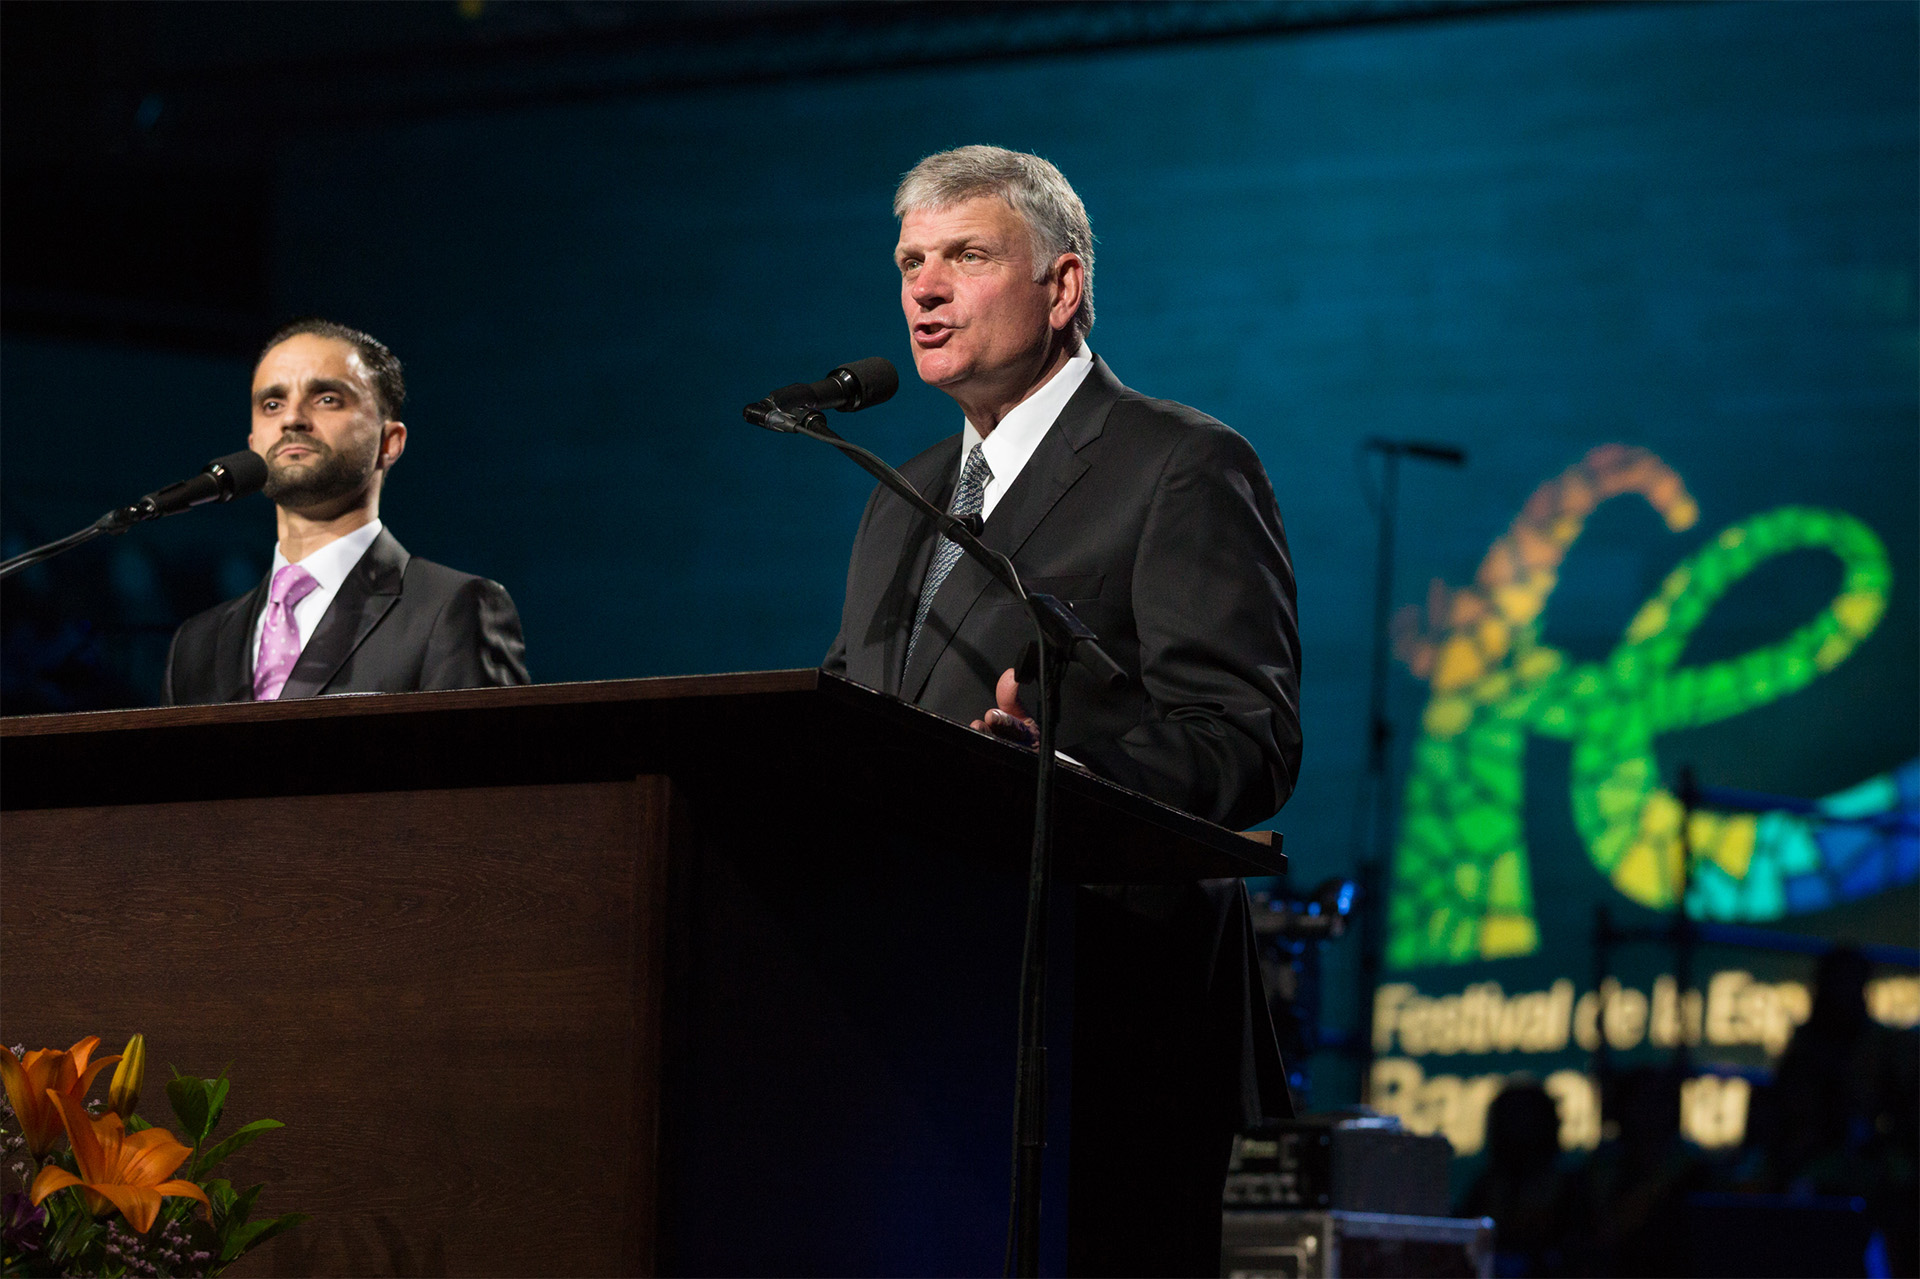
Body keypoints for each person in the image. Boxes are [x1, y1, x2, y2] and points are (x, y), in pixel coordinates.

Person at [823, 145, 1300, 1275]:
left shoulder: (1180, 463)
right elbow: (854, 716)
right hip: (919, 1010)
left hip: (1109, 1010)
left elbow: (1246, 734)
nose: (925, 289)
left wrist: (1066, 775)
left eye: (966, 256)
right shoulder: (904, 496)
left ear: (1063, 284)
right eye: (910, 263)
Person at [162, 319, 528, 705]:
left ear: (389, 442)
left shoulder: (452, 608)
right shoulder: (196, 643)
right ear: (253, 445)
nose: (292, 419)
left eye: (327, 399)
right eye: (272, 405)